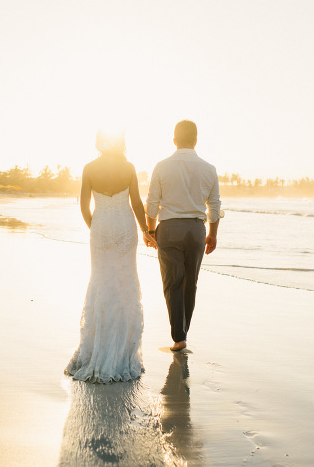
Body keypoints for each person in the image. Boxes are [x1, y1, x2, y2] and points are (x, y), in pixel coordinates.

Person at [65, 130, 148, 383]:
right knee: (125, 285)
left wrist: (96, 228)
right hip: (124, 226)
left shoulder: (90, 167)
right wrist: (147, 231)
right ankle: (123, 353)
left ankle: (96, 349)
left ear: (99, 143)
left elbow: (83, 206)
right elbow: (136, 203)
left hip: (101, 226)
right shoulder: (129, 167)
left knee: (101, 283)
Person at [144, 120, 221, 352]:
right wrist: (212, 234)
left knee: (172, 283)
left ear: (174, 140)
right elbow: (215, 206)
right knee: (190, 283)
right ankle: (183, 333)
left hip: (169, 229)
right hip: (197, 230)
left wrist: (150, 231)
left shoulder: (161, 166)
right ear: (196, 140)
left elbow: (152, 204)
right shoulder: (209, 169)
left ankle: (179, 336)